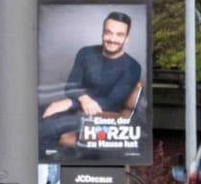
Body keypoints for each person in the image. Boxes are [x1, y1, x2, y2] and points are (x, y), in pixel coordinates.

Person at [40, 11, 143, 156]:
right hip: (77, 111)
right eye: (108, 32)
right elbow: (70, 85)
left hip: (102, 119)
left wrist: (71, 102)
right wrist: (83, 98)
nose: (113, 39)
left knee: (46, 127)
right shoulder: (86, 53)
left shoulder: (132, 67)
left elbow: (111, 102)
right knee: (39, 112)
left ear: (127, 38)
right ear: (102, 33)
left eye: (119, 35)